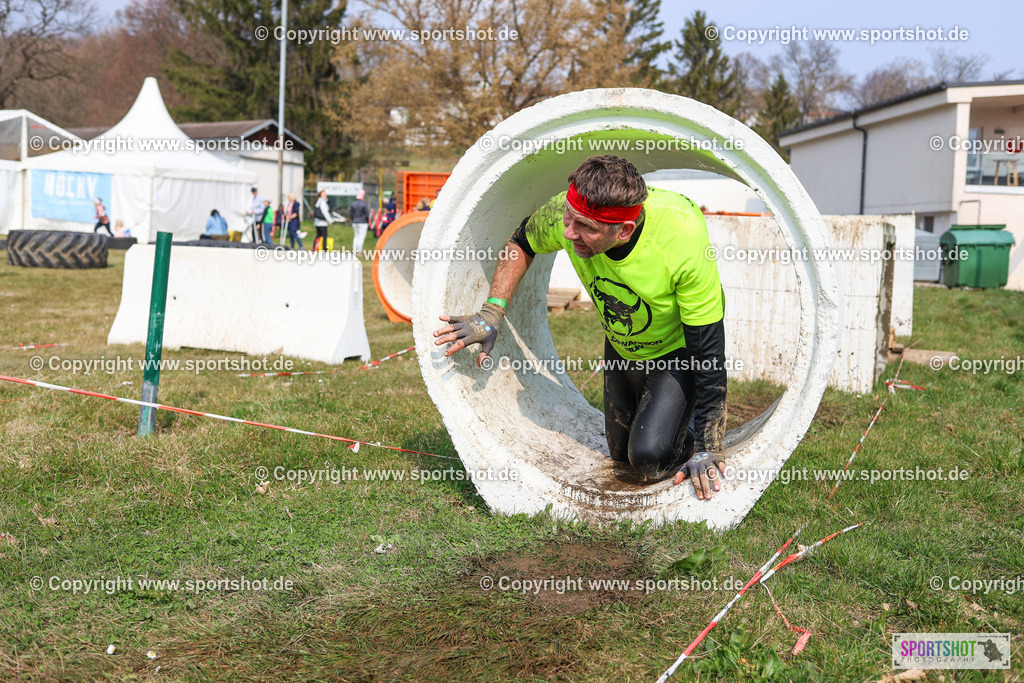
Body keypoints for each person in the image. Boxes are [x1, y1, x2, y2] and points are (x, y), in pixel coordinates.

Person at [433, 155, 728, 500]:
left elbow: (707, 353)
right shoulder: (569, 209)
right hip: (624, 346)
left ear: (624, 231)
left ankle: (685, 421)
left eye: (586, 228)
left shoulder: (681, 239)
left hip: (676, 350)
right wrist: (491, 313)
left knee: (648, 459)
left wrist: (709, 446)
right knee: (620, 455)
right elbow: (521, 242)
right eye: (569, 220)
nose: (569, 233)